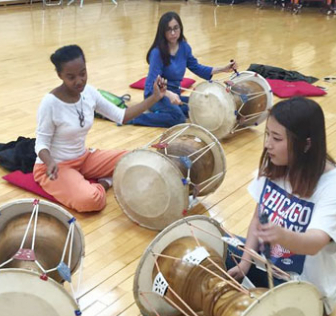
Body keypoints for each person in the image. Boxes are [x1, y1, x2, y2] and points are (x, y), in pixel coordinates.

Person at [225, 97, 336, 315]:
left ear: (307, 144)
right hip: (269, 264)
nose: (267, 144)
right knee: (213, 247)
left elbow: (314, 244)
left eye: (276, 138)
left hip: (307, 289)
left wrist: (281, 235)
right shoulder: (276, 163)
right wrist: (245, 263)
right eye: (267, 135)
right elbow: (258, 219)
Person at [33, 44, 167, 213]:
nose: (79, 81)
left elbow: (122, 116)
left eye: (83, 73)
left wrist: (154, 98)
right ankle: (104, 183)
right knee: (91, 201)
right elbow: (40, 144)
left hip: (83, 157)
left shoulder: (89, 92)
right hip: (55, 166)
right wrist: (50, 161)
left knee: (134, 158)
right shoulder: (50, 103)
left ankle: (93, 180)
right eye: (71, 77)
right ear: (60, 75)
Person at [129, 11, 238, 128]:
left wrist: (223, 69)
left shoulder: (184, 47)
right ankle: (132, 117)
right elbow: (152, 84)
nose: (173, 33)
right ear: (163, 32)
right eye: (168, 29)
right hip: (155, 96)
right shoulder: (157, 53)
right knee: (178, 118)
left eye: (176, 28)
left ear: (180, 28)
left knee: (203, 106)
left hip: (175, 95)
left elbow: (197, 68)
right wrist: (168, 94)